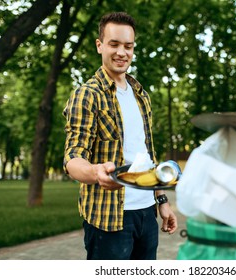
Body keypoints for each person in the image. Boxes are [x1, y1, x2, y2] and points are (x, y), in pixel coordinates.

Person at [62, 11, 178, 260]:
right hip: (109, 217)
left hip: (147, 214)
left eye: (128, 46)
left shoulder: (140, 94)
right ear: (99, 45)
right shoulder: (87, 95)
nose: (121, 52)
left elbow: (147, 154)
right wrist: (96, 173)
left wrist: (162, 201)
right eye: (114, 44)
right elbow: (73, 157)